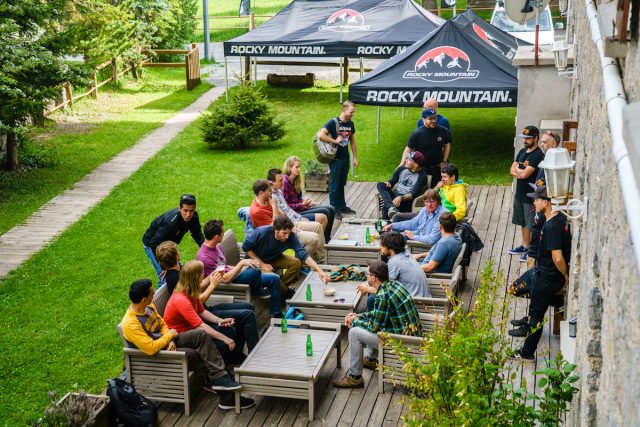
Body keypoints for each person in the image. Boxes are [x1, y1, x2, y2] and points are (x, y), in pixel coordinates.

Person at [121, 278, 255, 410]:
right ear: (144, 299)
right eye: (152, 293)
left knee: (201, 334)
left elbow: (162, 324)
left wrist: (170, 339)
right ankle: (226, 396)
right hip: (159, 355)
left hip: (168, 342)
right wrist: (169, 337)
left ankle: (221, 378)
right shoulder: (131, 324)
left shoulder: (148, 307)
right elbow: (150, 348)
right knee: (198, 354)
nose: (154, 294)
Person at [333, 260, 422, 388]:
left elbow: (374, 327)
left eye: (367, 274)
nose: (366, 276)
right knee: (370, 324)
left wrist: (354, 321)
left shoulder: (382, 296)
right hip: (412, 338)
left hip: (402, 344)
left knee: (354, 333)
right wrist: (359, 316)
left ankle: (355, 378)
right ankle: (371, 360)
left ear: (374, 278)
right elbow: (380, 314)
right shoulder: (394, 284)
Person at [509, 186, 571, 362]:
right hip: (539, 272)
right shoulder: (558, 218)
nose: (534, 202)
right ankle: (552, 301)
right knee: (514, 289)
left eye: (536, 199)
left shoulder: (552, 226)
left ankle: (526, 353)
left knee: (535, 317)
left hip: (546, 278)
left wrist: (565, 275)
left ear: (546, 203)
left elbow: (557, 257)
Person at [163, 261, 255, 366]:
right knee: (222, 342)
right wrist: (225, 339)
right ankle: (225, 366)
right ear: (196, 277)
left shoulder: (190, 291)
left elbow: (202, 311)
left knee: (230, 330)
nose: (204, 275)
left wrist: (220, 320)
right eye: (202, 273)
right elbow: (200, 326)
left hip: (193, 329)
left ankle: (233, 358)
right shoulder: (181, 300)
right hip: (182, 336)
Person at [195, 219, 282, 316]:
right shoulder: (205, 258)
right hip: (230, 282)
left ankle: (277, 313)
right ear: (216, 237)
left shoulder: (216, 246)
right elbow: (225, 279)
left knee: (274, 278)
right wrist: (241, 264)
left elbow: (224, 266)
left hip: (235, 274)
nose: (223, 234)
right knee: (255, 271)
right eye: (222, 232)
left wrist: (242, 268)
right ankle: (257, 291)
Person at [242, 216, 329, 295]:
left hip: (274, 257)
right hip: (256, 262)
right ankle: (286, 292)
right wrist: (262, 264)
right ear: (276, 230)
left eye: (289, 233)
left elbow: (303, 254)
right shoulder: (262, 232)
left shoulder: (291, 237)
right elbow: (246, 248)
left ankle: (278, 289)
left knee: (296, 263)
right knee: (273, 277)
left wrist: (319, 271)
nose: (287, 236)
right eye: (284, 233)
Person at [249, 179, 323, 262]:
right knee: (313, 238)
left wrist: (291, 224)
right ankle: (302, 265)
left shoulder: (266, 199)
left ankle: (321, 259)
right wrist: (274, 206)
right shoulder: (257, 211)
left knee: (318, 226)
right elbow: (274, 228)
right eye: (269, 190)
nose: (272, 192)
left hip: (285, 225)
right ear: (261, 193)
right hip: (278, 235)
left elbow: (282, 214)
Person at [142, 194, 205, 286]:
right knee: (165, 279)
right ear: (180, 209)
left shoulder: (194, 216)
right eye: (185, 210)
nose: (188, 215)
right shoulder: (170, 223)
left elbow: (197, 233)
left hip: (169, 245)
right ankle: (157, 295)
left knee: (180, 273)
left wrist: (205, 246)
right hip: (152, 245)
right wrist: (164, 267)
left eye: (191, 211)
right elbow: (154, 244)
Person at [359, 232, 430, 311]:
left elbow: (385, 290)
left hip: (414, 304)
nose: (380, 247)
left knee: (372, 298)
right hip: (424, 300)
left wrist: (367, 289)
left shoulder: (395, 262)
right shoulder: (407, 254)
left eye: (382, 245)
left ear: (390, 247)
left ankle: (373, 318)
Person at [268, 168, 327, 262]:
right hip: (290, 223)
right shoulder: (272, 197)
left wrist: (300, 217)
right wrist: (291, 225)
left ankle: (322, 258)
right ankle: (312, 261)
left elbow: (288, 209)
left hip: (294, 218)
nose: (283, 182)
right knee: (316, 231)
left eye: (282, 179)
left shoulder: (279, 191)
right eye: (280, 180)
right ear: (271, 183)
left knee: (318, 226)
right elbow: (280, 216)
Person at [508, 125, 544, 263]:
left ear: (535, 138)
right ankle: (525, 246)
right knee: (522, 222)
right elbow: (511, 170)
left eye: (528, 138)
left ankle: (531, 251)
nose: (525, 140)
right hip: (519, 194)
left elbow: (524, 175)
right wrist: (519, 171)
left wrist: (518, 170)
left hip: (531, 196)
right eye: (524, 138)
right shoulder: (522, 151)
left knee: (531, 224)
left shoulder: (537, 155)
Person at [318, 100, 359, 219]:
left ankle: (342, 206)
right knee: (335, 185)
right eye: (351, 112)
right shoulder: (333, 122)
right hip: (335, 159)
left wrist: (355, 157)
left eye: (354, 112)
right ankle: (334, 209)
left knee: (342, 183)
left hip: (345, 158)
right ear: (344, 109)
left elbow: (352, 141)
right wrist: (335, 141)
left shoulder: (350, 123)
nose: (353, 114)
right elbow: (321, 135)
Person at [526, 130, 561, 268]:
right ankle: (532, 260)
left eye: (545, 142)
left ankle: (534, 263)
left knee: (539, 233)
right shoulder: (546, 158)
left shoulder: (555, 161)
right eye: (541, 142)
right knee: (535, 230)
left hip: (546, 204)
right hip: (539, 201)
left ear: (554, 143)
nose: (541, 145)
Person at [282, 156, 336, 242]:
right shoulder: (285, 182)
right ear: (289, 168)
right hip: (295, 213)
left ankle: (326, 239)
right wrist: (302, 204)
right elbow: (286, 206)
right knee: (325, 211)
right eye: (297, 167)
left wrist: (307, 202)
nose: (299, 169)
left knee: (331, 209)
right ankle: (320, 241)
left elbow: (298, 199)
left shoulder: (295, 180)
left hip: (301, 208)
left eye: (300, 167)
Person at [401, 108, 450, 187]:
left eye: (435, 118)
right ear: (423, 119)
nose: (433, 121)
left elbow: (447, 146)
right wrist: (402, 163)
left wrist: (444, 161)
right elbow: (408, 149)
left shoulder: (442, 130)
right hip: (422, 169)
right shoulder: (417, 133)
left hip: (438, 168)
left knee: (439, 190)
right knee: (422, 190)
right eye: (430, 119)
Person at [376, 151, 428, 220]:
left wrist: (401, 198)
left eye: (409, 160)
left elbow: (412, 195)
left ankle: (387, 216)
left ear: (416, 164)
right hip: (395, 196)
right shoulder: (401, 168)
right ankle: (391, 208)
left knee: (386, 204)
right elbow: (392, 182)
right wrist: (388, 183)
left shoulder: (422, 176)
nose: (406, 160)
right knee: (381, 185)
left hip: (406, 201)